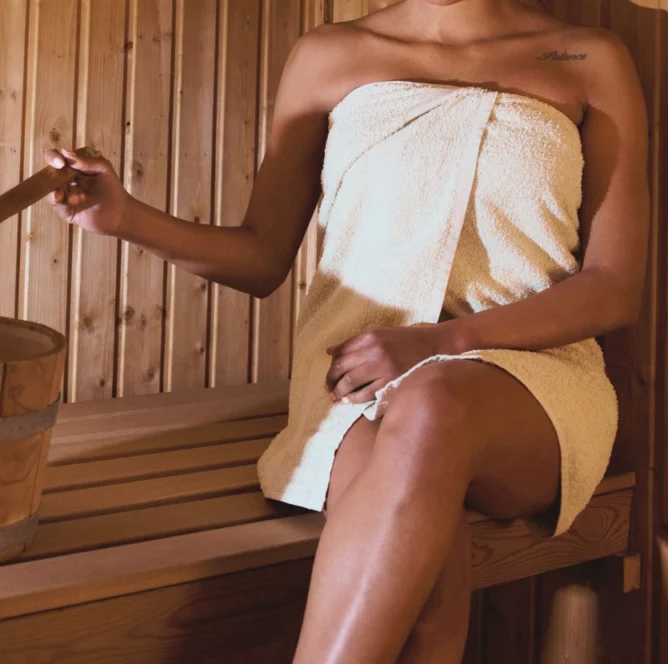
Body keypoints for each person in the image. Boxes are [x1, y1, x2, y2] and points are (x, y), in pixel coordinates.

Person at [43, 0, 650, 661]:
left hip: (535, 379)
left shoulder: (585, 57)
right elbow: (261, 252)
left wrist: (440, 343)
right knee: (423, 605)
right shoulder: (330, 55)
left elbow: (613, 287)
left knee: (433, 402)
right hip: (355, 381)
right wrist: (127, 216)